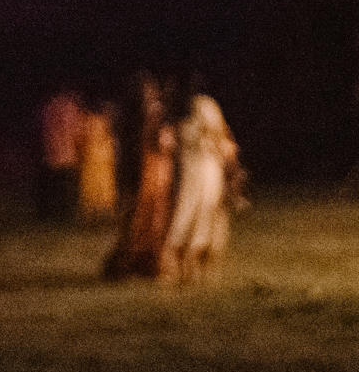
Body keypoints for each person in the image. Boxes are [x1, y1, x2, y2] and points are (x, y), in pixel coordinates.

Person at [161, 94, 239, 283]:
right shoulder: (188, 131)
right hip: (196, 179)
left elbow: (228, 152)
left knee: (205, 216)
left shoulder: (207, 134)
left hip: (209, 179)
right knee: (189, 216)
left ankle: (196, 265)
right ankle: (180, 266)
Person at [103, 76, 174, 279]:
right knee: (141, 222)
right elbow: (156, 145)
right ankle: (127, 266)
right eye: (148, 92)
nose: (153, 96)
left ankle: (145, 266)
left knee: (149, 222)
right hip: (146, 176)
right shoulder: (143, 118)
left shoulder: (140, 117)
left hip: (152, 175)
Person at [36, 88, 86, 222]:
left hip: (52, 154)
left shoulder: (49, 108)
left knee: (52, 187)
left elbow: (42, 129)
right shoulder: (71, 109)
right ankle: (65, 215)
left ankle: (50, 215)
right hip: (68, 154)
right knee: (67, 187)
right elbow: (78, 131)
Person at [77, 100, 118, 224]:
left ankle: (92, 215)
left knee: (92, 185)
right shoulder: (106, 120)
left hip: (92, 156)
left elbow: (81, 138)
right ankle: (105, 214)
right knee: (104, 185)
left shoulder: (87, 121)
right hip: (104, 156)